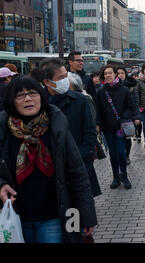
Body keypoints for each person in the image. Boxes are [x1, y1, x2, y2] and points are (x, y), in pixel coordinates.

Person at [0, 76, 97, 243]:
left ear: (41, 96)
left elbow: (77, 173)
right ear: (12, 101)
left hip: (55, 216)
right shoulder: (3, 129)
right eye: (20, 95)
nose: (28, 99)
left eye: (32, 93)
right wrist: (1, 184)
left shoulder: (56, 125)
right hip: (16, 217)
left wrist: (87, 216)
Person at [39, 59, 101, 199]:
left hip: (79, 165)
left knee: (79, 213)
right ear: (47, 82)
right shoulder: (39, 104)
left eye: (66, 76)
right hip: (50, 170)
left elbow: (89, 131)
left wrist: (82, 156)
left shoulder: (79, 100)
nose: (65, 81)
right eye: (60, 78)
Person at [96, 65, 141, 190]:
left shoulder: (124, 90)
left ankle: (124, 175)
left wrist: (124, 117)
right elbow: (98, 110)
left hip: (120, 127)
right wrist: (98, 124)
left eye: (110, 73)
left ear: (115, 74)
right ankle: (116, 177)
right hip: (107, 128)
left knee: (121, 152)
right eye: (105, 74)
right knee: (113, 154)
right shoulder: (101, 92)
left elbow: (131, 106)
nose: (108, 75)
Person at [117, 66, 138, 165]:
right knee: (118, 138)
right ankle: (120, 156)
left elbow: (135, 102)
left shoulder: (131, 87)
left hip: (127, 117)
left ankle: (127, 156)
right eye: (118, 73)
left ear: (125, 75)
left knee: (127, 137)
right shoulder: (112, 86)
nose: (120, 75)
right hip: (116, 118)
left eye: (122, 73)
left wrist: (137, 117)